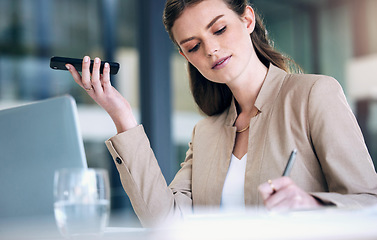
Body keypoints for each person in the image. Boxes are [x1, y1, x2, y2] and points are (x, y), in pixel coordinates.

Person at [66, 0, 377, 227]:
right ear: (185, 55)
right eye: (193, 46)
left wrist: (313, 204)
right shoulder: (205, 133)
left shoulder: (313, 94)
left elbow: (369, 203)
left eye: (219, 29)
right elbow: (164, 221)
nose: (211, 49)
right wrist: (122, 117)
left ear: (247, 19)